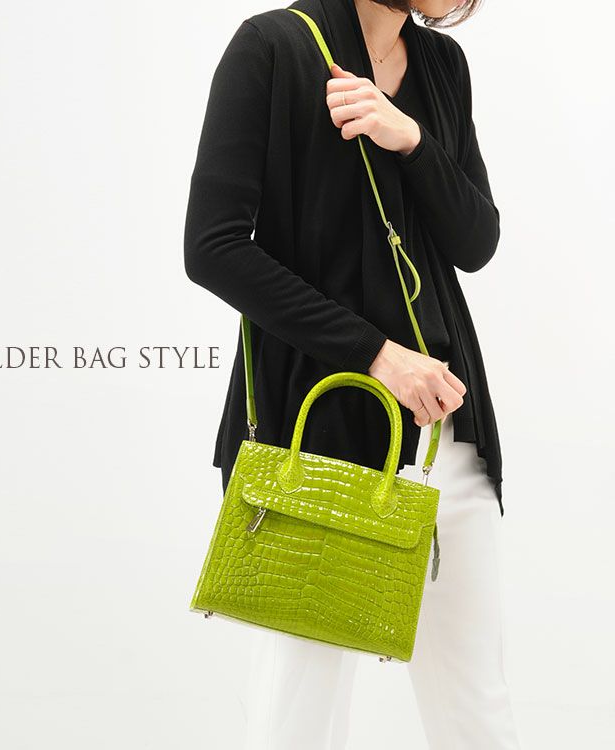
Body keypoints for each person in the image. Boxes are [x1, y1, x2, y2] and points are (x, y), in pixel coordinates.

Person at [183, 1, 523, 747]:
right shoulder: (273, 47)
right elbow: (213, 248)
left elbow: (476, 241)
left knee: (476, 707)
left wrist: (411, 140)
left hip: (444, 432)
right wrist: (376, 352)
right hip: (318, 432)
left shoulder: (440, 66)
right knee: (299, 717)